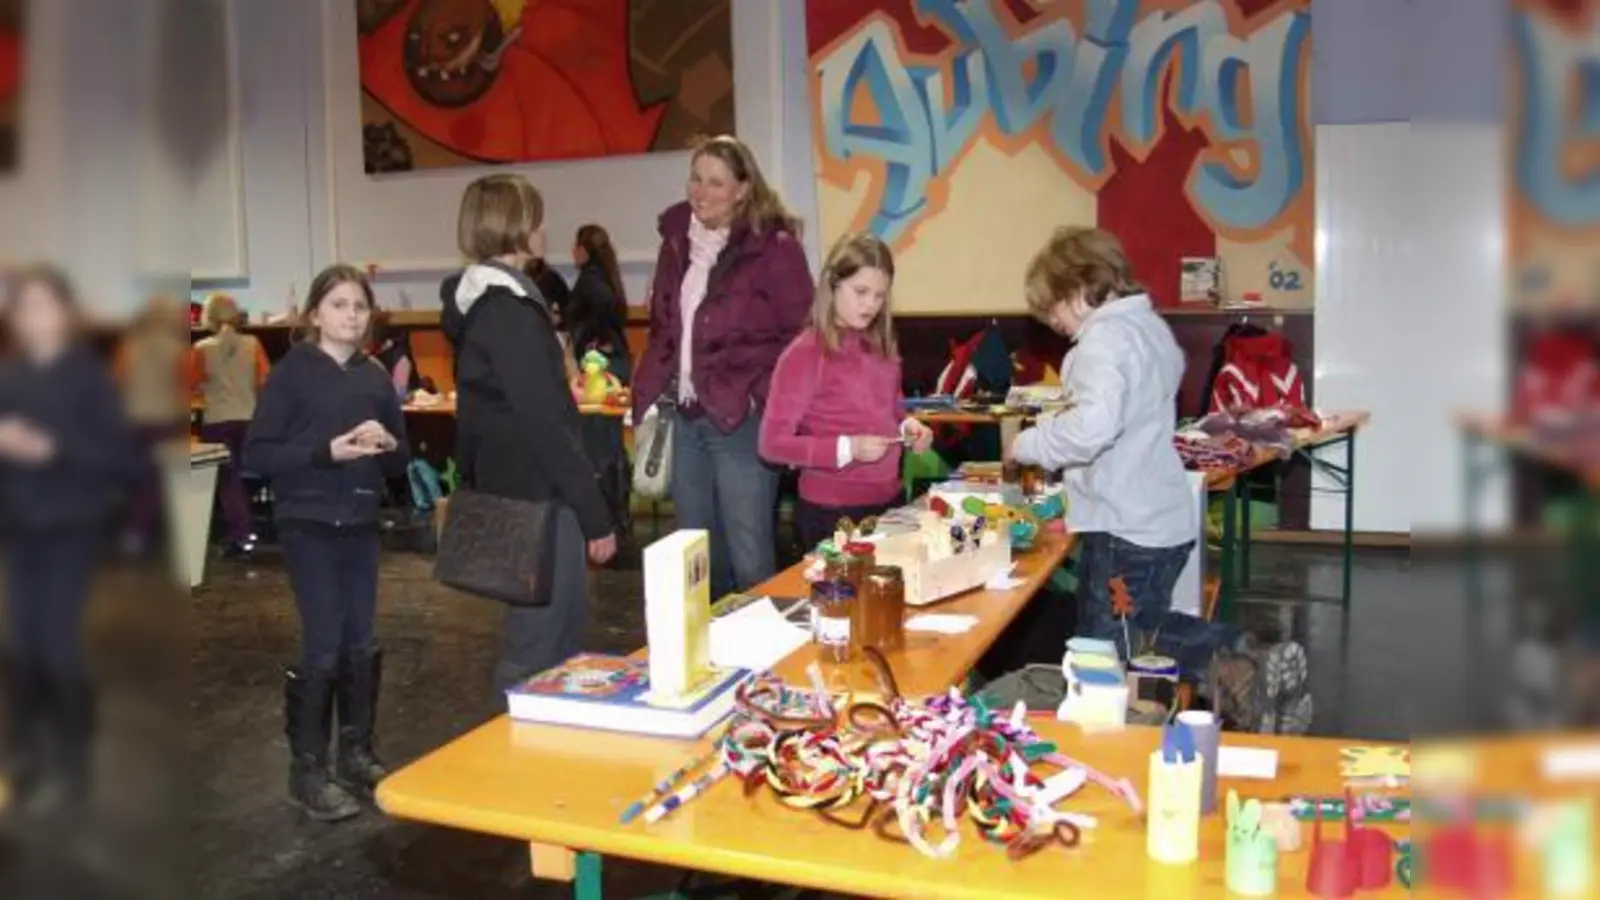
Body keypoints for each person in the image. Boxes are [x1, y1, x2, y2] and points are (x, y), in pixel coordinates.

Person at [1007, 227, 1311, 733]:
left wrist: (1027, 443)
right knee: (1139, 627)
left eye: (1054, 307)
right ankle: (1248, 681)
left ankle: (1244, 658)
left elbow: (1093, 429)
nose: (1054, 322)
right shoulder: (1149, 330)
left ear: (1082, 289)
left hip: (1125, 528)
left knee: (1114, 644)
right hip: (1164, 519)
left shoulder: (1099, 344)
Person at [242, 265, 409, 821]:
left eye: (360, 306)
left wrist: (386, 446)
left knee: (360, 641)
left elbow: (402, 458)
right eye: (339, 305)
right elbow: (258, 455)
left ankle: (356, 752)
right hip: (307, 523)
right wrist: (322, 452)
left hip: (359, 522)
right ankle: (308, 770)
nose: (352, 315)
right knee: (324, 642)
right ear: (315, 314)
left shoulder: (375, 377)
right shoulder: (292, 375)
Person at [441, 174, 618, 693]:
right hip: (539, 497)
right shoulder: (508, 311)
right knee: (540, 650)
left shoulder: (495, 304)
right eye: (536, 217)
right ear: (515, 225)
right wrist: (593, 512)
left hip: (524, 491)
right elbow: (545, 422)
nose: (543, 227)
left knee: (547, 645)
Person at [631, 134, 813, 598]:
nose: (701, 191)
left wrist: (760, 395)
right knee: (697, 562)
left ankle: (769, 663)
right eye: (696, 178)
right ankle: (712, 666)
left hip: (743, 422)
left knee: (751, 560)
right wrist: (649, 393)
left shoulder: (775, 248)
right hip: (686, 417)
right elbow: (662, 330)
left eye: (716, 182)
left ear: (743, 188)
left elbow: (803, 337)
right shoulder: (675, 241)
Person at [0, 265, 134, 820]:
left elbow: (118, 458)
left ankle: (75, 768)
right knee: (22, 649)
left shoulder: (89, 378)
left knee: (57, 646)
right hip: (19, 527)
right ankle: (29, 755)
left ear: (65, 312)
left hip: (70, 528)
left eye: (43, 305)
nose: (33, 317)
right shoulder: (8, 377)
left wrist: (49, 449)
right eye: (23, 307)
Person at [759, 234, 932, 549]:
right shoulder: (805, 353)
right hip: (830, 513)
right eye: (860, 292)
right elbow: (772, 445)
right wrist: (847, 449)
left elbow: (891, 409)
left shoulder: (882, 346)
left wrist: (909, 427)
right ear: (833, 285)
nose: (870, 305)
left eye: (880, 296)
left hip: (890, 502)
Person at [189, 292, 270, 557]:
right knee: (247, 476)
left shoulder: (202, 348)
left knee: (228, 482)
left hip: (217, 422)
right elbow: (265, 382)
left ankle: (242, 536)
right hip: (249, 419)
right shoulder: (254, 344)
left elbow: (189, 385)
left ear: (208, 317)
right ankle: (248, 527)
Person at [567, 224, 632, 535]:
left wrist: (594, 339)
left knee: (598, 443)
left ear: (584, 249)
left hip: (599, 367)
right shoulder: (607, 276)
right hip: (613, 363)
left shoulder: (590, 281)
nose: (571, 251)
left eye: (575, 245)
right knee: (611, 441)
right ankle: (619, 510)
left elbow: (597, 311)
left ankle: (607, 514)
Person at [114, 294, 190, 556]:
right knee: (155, 481)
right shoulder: (178, 349)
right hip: (164, 421)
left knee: (139, 478)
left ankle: (135, 531)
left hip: (132, 420)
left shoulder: (129, 346)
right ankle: (141, 532)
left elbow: (117, 382)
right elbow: (183, 389)